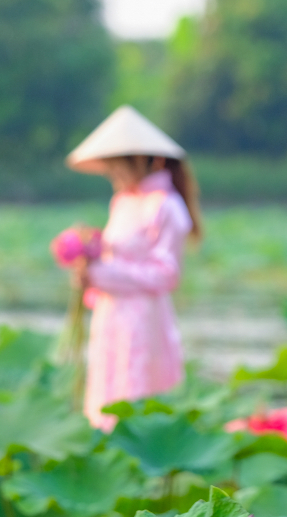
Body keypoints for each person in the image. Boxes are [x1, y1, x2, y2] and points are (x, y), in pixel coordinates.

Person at [65, 105, 202, 430]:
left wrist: (103, 275)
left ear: (142, 160)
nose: (115, 177)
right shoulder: (122, 201)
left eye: (118, 169)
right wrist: (90, 274)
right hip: (111, 312)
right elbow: (113, 259)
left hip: (144, 316)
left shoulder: (166, 206)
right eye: (110, 171)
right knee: (106, 387)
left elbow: (167, 274)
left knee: (137, 392)